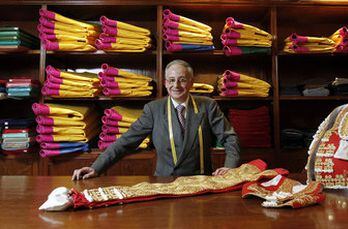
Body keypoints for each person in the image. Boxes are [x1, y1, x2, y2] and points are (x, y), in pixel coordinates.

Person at [72, 59, 240, 180]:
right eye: (172, 80)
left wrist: (230, 167)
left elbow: (230, 137)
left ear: (190, 82)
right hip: (165, 183)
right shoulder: (154, 109)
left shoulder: (208, 106)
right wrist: (96, 167)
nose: (176, 85)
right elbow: (126, 142)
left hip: (200, 183)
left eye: (182, 80)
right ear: (166, 83)